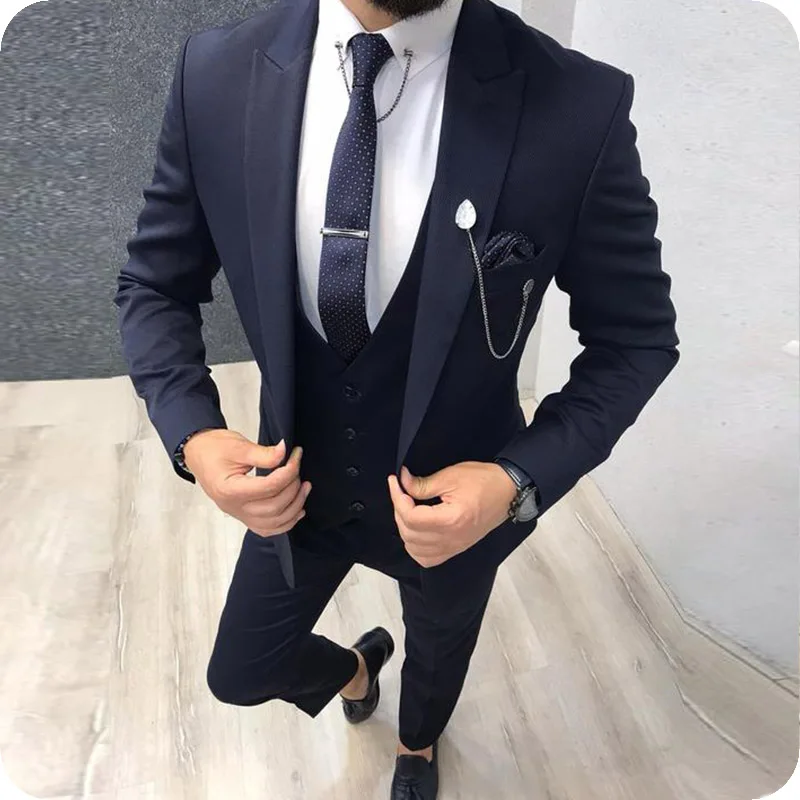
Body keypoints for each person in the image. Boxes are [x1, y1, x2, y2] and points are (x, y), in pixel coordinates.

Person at [114, 0, 680, 796]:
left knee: (441, 654)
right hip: (295, 487)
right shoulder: (215, 74)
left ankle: (417, 746)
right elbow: (153, 285)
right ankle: (356, 669)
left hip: (460, 503)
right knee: (240, 671)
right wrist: (193, 437)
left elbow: (636, 341)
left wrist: (516, 481)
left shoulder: (580, 105)